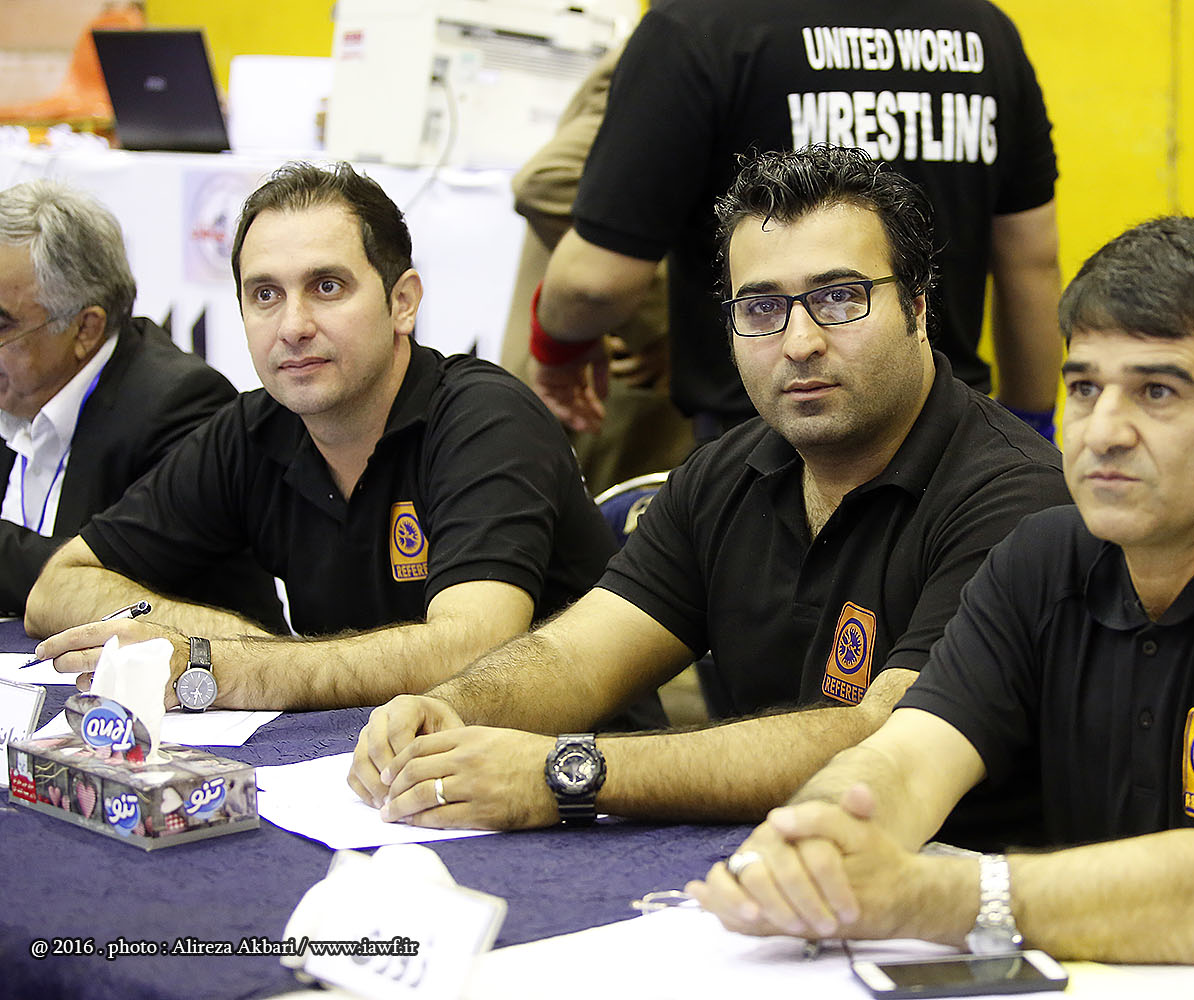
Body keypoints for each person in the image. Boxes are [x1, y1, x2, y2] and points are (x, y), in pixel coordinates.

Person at [688, 217, 1194, 985]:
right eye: (1085, 387)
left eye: (1157, 391)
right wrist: (822, 838)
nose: (1103, 431)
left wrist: (931, 896)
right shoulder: (1043, 556)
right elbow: (906, 759)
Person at [348, 146, 1068, 831]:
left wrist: (565, 773)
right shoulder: (728, 473)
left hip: (956, 882)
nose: (800, 342)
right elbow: (576, 658)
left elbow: (880, 738)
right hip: (756, 870)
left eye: (840, 298)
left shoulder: (1015, 501)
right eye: (761, 309)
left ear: (918, 306)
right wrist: (449, 707)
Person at [24, 162, 617, 713]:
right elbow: (56, 588)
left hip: (563, 761)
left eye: (327, 287)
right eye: (265, 295)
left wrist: (222, 664)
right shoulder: (253, 429)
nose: (293, 326)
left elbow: (472, 651)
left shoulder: (486, 419)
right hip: (360, 757)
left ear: (402, 302)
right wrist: (221, 642)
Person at [529, 0, 1062, 444]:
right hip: (948, 434)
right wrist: (1029, 435)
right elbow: (1031, 263)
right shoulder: (985, 31)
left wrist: (558, 350)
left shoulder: (699, 23)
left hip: (768, 439)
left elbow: (594, 282)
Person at [0, 179, 272, 620]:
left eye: (2, 325)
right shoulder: (20, 388)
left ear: (85, 329)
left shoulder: (179, 404)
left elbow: (110, 591)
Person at [499, 43, 694, 494]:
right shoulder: (686, 46)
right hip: (606, 386)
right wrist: (666, 321)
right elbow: (547, 181)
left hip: (608, 388)